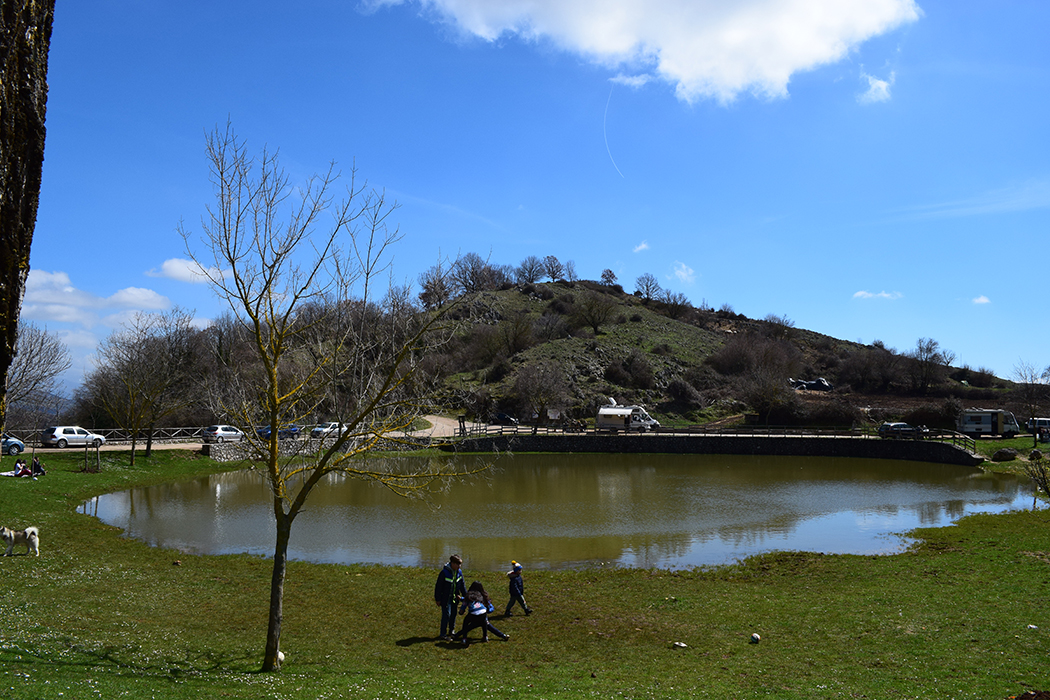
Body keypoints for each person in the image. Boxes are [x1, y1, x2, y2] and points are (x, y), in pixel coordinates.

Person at [434, 554, 467, 640]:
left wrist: (466, 597)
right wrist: (438, 599)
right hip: (445, 598)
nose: (459, 566)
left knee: (453, 614)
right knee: (446, 615)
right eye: (458, 564)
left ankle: (451, 631)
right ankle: (443, 634)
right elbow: (438, 587)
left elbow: (462, 585)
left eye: (460, 564)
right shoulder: (444, 573)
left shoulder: (459, 572)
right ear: (452, 563)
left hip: (455, 598)